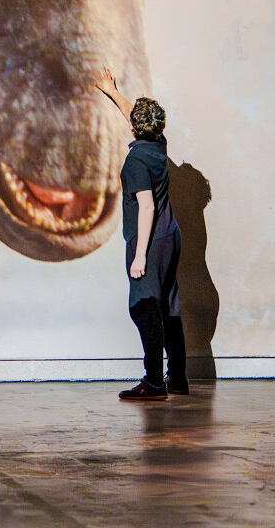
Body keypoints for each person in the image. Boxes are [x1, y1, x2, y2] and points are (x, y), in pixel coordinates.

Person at [96, 68, 187, 401]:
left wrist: (140, 256)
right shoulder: (158, 144)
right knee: (168, 306)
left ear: (136, 127)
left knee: (144, 306)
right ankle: (177, 377)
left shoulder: (136, 161)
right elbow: (134, 115)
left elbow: (146, 208)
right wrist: (112, 92)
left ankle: (154, 382)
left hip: (151, 241)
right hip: (169, 236)